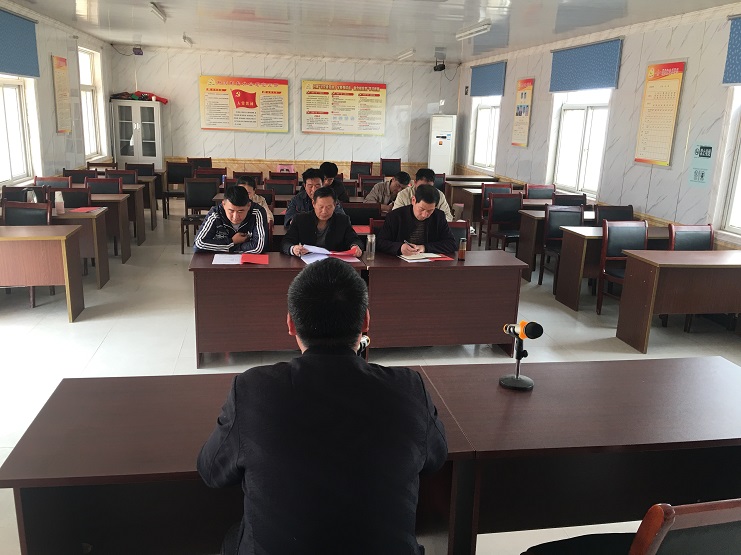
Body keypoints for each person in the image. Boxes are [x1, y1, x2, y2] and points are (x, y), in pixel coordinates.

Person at [197, 257, 448, 554]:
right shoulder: (409, 387)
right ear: (366, 321)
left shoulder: (252, 389)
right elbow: (436, 458)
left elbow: (212, 471)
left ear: (291, 324)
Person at [282, 186, 363, 257]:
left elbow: (354, 239)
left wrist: (355, 247)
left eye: (328, 207)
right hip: (307, 262)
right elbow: (286, 242)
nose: (324, 211)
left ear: (335, 205)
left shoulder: (342, 220)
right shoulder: (300, 219)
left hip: (335, 262)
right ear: (313, 204)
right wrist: (293, 249)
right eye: (321, 207)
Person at [378, 184, 457, 256]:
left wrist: (425, 248)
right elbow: (380, 243)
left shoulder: (439, 216)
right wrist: (400, 248)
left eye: (430, 210)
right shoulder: (395, 216)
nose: (425, 215)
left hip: (429, 264)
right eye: (421, 209)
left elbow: (451, 244)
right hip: (399, 263)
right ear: (413, 200)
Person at [194, 184, 268, 253]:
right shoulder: (215, 213)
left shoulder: (257, 212)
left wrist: (226, 248)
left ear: (248, 206)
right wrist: (232, 241)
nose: (235, 217)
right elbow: (199, 244)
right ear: (224, 204)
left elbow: (259, 247)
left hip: (247, 261)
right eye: (231, 211)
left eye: (241, 211)